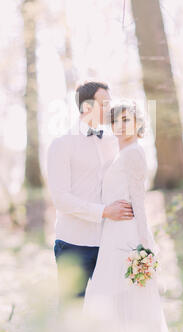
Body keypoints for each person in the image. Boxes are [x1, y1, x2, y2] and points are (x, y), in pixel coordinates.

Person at [83, 102, 172, 332]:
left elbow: (139, 203)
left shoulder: (134, 153)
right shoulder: (121, 154)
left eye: (126, 120)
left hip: (127, 237)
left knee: (129, 300)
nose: (120, 126)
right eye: (115, 121)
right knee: (110, 299)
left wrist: (145, 247)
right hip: (111, 233)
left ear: (138, 124)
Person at [47, 81, 134, 303]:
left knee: (109, 311)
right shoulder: (62, 144)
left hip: (108, 242)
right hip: (73, 243)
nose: (110, 108)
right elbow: (61, 199)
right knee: (72, 312)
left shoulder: (112, 142)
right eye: (104, 104)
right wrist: (104, 211)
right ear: (86, 107)